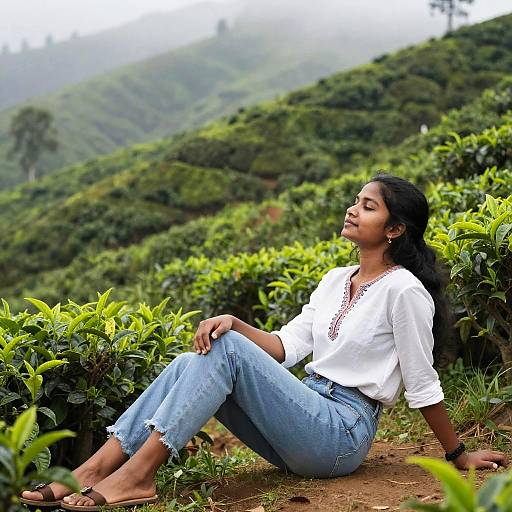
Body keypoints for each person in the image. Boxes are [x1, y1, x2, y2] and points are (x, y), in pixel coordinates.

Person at [21, 173, 509, 510]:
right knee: (200, 356)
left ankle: (136, 475)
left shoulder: (405, 291)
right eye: (355, 200)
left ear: (395, 229)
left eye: (368, 205)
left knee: (224, 350)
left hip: (340, 434)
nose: (352, 209)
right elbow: (284, 346)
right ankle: (95, 468)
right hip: (306, 417)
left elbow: (422, 382)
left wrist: (457, 455)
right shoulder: (336, 278)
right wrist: (234, 321)